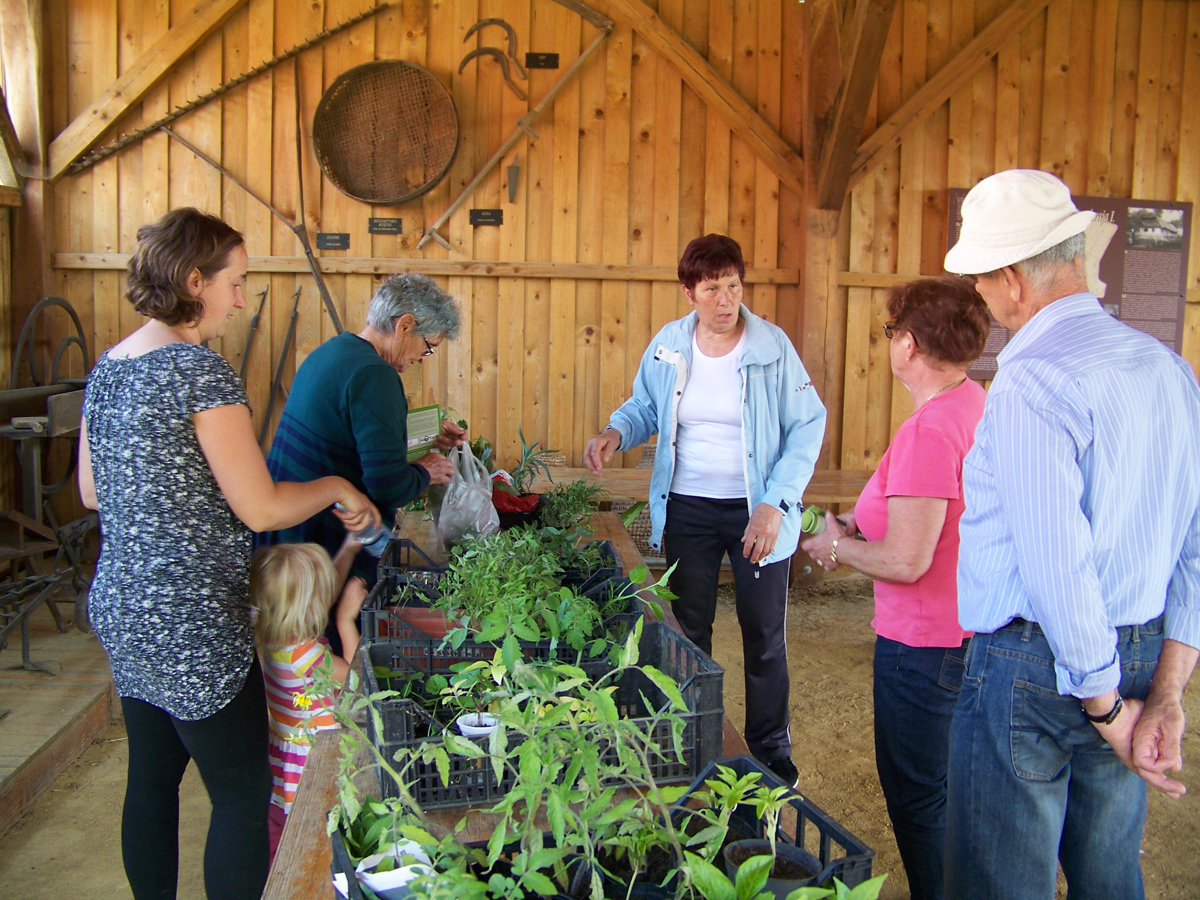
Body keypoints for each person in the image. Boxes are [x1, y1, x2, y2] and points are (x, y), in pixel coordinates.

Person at [77, 208, 379, 900]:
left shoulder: (110, 366)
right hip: (192, 619)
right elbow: (263, 508)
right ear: (193, 281)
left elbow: (93, 494)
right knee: (244, 794)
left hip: (124, 605)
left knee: (150, 778)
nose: (242, 300)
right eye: (235, 283)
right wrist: (336, 485)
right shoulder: (198, 373)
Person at [942, 169, 1200, 899]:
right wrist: (1166, 696)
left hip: (1039, 661)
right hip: (1144, 650)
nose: (982, 300)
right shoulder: (1169, 370)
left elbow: (1057, 565)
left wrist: (1104, 706)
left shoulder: (1034, 380)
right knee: (1110, 871)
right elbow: (1193, 550)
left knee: (1001, 880)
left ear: (1012, 277)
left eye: (982, 282)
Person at [584, 233, 826, 786]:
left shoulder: (771, 347)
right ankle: (691, 734)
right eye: (712, 288)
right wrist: (615, 432)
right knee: (688, 628)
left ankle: (771, 749)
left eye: (734, 286)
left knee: (763, 630)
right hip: (687, 508)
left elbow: (807, 425)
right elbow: (644, 404)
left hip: (757, 509)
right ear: (689, 291)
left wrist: (775, 504)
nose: (725, 300)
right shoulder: (671, 343)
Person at [801, 277, 989, 900]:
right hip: (968, 633)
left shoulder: (928, 432)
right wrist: (860, 526)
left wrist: (835, 546)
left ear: (908, 344)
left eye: (890, 333)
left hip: (924, 644)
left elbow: (908, 560)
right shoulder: (971, 403)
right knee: (954, 790)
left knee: (919, 796)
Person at [261, 273, 465, 583]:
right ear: (405, 325)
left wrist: (426, 441)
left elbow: (354, 445)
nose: (423, 359)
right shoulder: (376, 376)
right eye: (428, 347)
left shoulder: (333, 351)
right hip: (319, 556)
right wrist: (427, 471)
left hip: (284, 544)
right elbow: (388, 486)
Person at [251, 540, 367, 862]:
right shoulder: (309, 656)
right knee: (316, 832)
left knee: (281, 830)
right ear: (311, 608)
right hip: (313, 760)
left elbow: (318, 592)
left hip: (284, 755)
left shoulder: (273, 640)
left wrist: (349, 548)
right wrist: (345, 621)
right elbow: (356, 683)